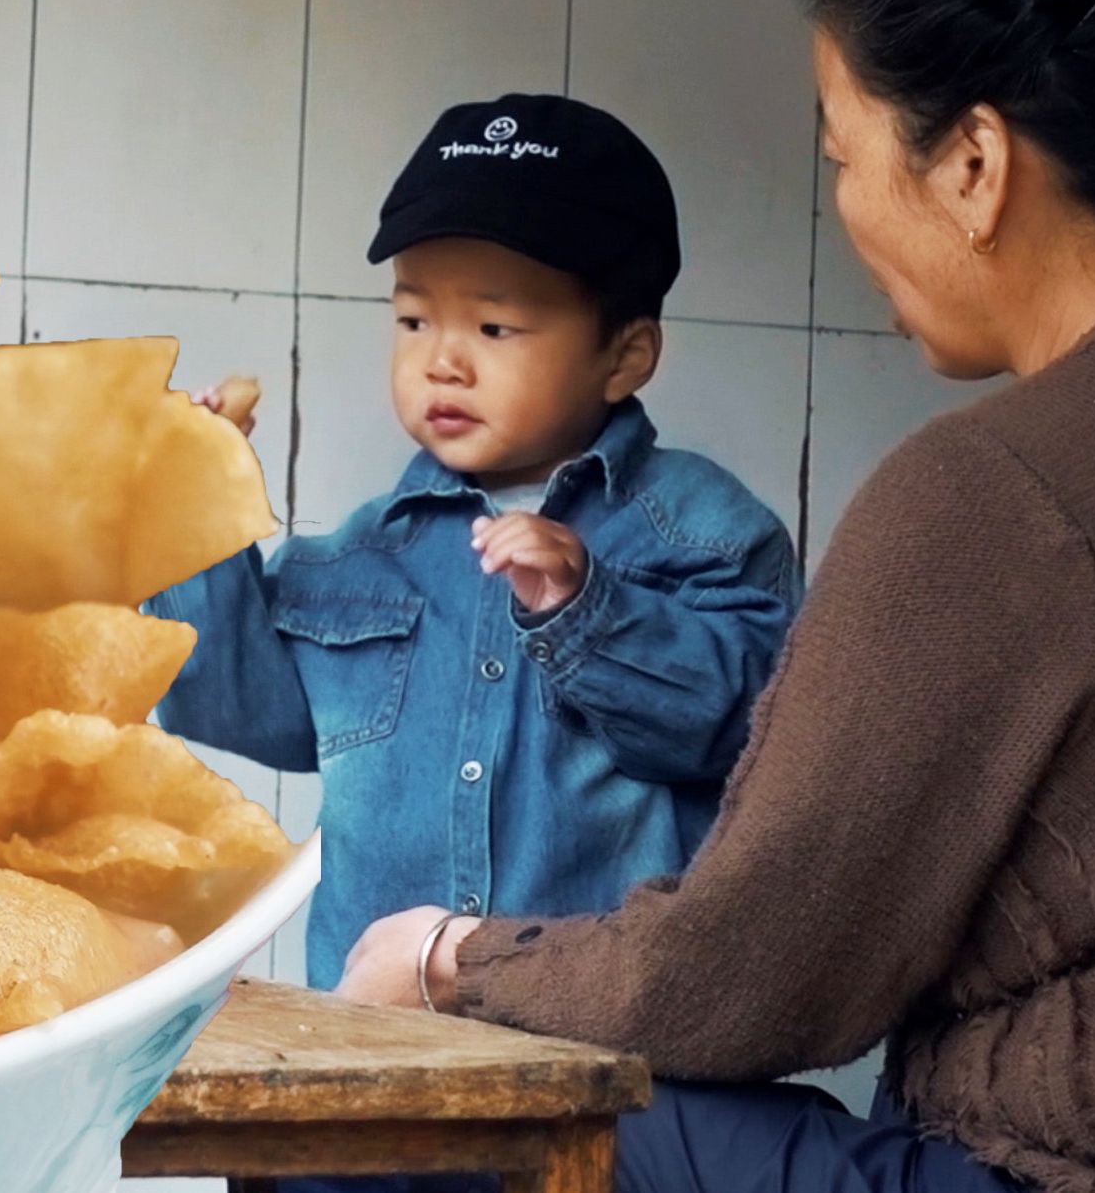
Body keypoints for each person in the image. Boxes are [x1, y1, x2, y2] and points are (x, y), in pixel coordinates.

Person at [345, 0, 1095, 1193]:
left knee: (408, 1121)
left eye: (842, 155)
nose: (448, 359)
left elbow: (753, 975)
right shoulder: (386, 534)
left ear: (970, 164)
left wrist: (447, 956)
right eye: (421, 317)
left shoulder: (987, 495)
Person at [154, 94, 800, 1192]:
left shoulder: (705, 534)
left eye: (494, 327)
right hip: (365, 1101)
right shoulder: (361, 553)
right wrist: (194, 514)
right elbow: (235, 708)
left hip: (600, 1110)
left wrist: (586, 609)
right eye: (414, 321)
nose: (442, 361)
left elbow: (750, 735)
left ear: (626, 352)